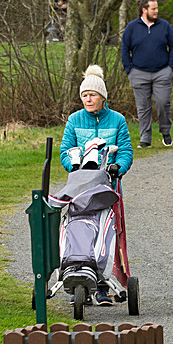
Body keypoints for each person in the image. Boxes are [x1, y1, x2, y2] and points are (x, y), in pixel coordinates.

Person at [59, 64, 134, 305]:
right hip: (80, 187)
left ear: (102, 97)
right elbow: (65, 151)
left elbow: (126, 151)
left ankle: (103, 287)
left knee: (107, 232)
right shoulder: (74, 120)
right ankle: (80, 283)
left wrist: (118, 168)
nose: (88, 100)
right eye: (84, 95)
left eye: (92, 95)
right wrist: (75, 168)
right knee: (79, 229)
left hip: (108, 186)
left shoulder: (117, 120)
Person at [120, 0, 173, 148]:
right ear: (144, 10)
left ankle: (165, 132)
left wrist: (170, 68)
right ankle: (145, 138)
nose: (156, 11)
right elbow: (124, 49)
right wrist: (129, 70)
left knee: (163, 103)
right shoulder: (132, 27)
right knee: (143, 108)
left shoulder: (165, 26)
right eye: (154, 9)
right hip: (138, 73)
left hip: (162, 72)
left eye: (157, 8)